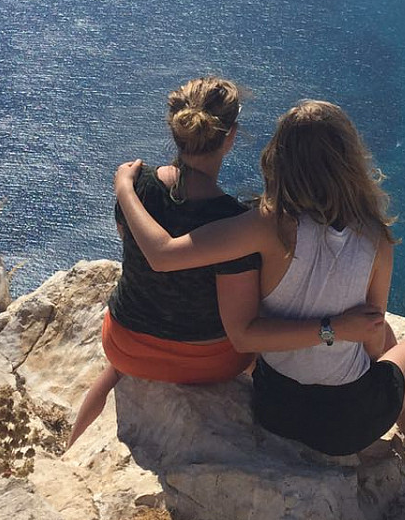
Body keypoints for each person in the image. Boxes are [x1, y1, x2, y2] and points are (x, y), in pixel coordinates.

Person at [113, 99, 405, 520]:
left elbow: (164, 255)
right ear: (350, 158)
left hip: (275, 408)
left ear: (278, 156)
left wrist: (126, 189)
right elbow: (371, 334)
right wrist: (340, 333)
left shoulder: (262, 225)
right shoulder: (376, 236)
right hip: (348, 424)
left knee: (390, 346)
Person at [67, 77, 261, 448]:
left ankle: (69, 452)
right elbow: (243, 316)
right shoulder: (234, 222)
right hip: (211, 362)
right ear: (230, 136)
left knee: (113, 371)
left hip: (126, 345)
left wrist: (124, 187)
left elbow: (132, 245)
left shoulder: (138, 187)